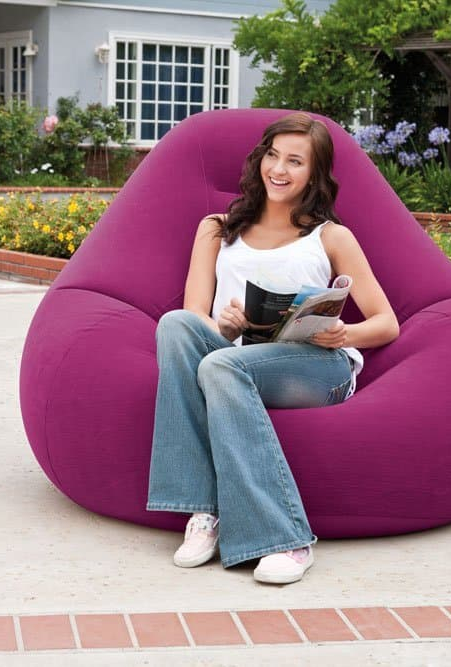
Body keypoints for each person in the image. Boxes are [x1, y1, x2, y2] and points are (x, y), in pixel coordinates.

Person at [146, 112, 399, 584]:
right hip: (237, 357)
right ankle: (205, 512)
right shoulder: (217, 228)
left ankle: (287, 538)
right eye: (273, 156)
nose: (279, 170)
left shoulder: (330, 236)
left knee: (222, 367)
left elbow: (387, 323)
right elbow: (195, 312)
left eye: (295, 161)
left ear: (314, 174)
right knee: (176, 326)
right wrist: (224, 326)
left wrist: (343, 334)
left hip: (317, 364)